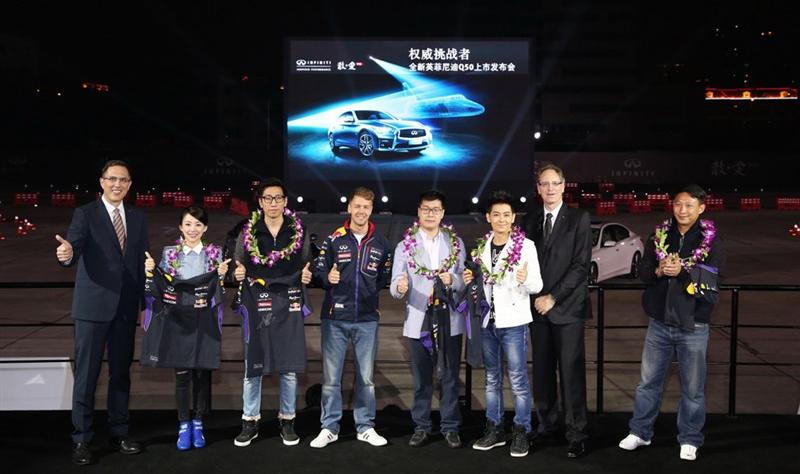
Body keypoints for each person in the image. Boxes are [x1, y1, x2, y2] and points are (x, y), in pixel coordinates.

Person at [619, 184, 725, 461]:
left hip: (694, 325)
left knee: (693, 388)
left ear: (701, 208)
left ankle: (690, 438)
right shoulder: (660, 234)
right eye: (678, 204)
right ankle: (640, 431)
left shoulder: (711, 240)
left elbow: (713, 280)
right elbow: (643, 272)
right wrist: (658, 269)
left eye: (689, 205)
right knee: (648, 383)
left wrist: (682, 272)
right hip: (659, 323)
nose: (682, 210)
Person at [55, 160, 149, 466]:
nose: (117, 184)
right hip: (92, 307)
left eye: (123, 180)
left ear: (130, 184)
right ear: (102, 182)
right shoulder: (85, 214)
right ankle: (81, 438)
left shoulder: (137, 217)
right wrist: (67, 254)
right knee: (87, 375)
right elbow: (74, 247)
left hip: (125, 308)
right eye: (112, 179)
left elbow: (141, 261)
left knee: (121, 373)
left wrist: (145, 301)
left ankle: (119, 432)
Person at [231, 178, 313, 447]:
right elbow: (237, 264)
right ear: (261, 202)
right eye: (268, 198)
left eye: (278, 198)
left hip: (288, 304)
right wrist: (236, 272)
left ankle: (287, 420)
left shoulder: (298, 230)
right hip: (257, 303)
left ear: (285, 201)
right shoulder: (248, 231)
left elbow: (307, 263)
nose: (273, 203)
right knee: (253, 363)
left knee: (288, 365)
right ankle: (250, 421)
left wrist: (309, 274)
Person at [310, 187, 393, 448]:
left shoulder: (381, 243)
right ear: (349, 208)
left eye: (366, 207)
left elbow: (383, 278)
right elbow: (318, 272)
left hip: (367, 319)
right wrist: (327, 277)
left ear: (371, 210)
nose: (361, 211)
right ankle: (329, 427)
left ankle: (365, 426)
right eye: (357, 206)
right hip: (335, 318)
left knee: (366, 379)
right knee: (331, 379)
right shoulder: (333, 240)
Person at [143, 206, 230, 450]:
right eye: (188, 224)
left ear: (205, 228)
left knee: (201, 375)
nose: (193, 229)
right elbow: (162, 286)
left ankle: (198, 423)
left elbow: (218, 291)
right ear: (181, 227)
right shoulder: (170, 253)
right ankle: (183, 424)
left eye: (198, 225)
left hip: (203, 321)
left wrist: (222, 276)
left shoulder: (215, 254)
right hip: (178, 322)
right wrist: (150, 272)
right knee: (182, 377)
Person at [464, 190, 543, 458]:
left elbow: (537, 285)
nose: (501, 219)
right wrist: (469, 280)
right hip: (488, 323)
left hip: (514, 323)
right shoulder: (481, 248)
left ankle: (522, 431)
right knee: (491, 379)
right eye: (496, 214)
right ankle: (494, 429)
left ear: (513, 218)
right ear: (488, 217)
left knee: (518, 379)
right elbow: (479, 283)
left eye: (506, 215)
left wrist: (524, 279)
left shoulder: (526, 246)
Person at [522, 163, 592, 459]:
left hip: (567, 309)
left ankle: (577, 434)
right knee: (542, 373)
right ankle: (546, 427)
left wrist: (553, 297)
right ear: (538, 188)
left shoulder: (579, 218)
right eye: (544, 184)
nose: (550, 188)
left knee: (571, 373)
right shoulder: (530, 220)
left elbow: (581, 265)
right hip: (537, 310)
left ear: (564, 186)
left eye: (555, 183)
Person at [390, 190, 466, 449]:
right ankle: (421, 426)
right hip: (419, 318)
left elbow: (464, 281)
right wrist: (400, 287)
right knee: (422, 378)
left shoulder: (455, 243)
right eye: (426, 209)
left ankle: (450, 426)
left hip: (449, 318)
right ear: (418, 212)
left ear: (442, 213)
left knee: (450, 376)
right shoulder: (405, 246)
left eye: (435, 209)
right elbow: (395, 286)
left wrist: (453, 280)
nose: (430, 214)